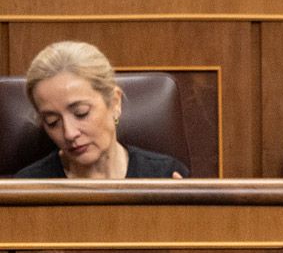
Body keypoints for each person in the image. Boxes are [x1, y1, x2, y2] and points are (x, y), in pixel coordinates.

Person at [14, 42, 187, 179]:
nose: (69, 133)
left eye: (81, 113)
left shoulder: (165, 176)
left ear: (114, 103)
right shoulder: (27, 187)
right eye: (52, 122)